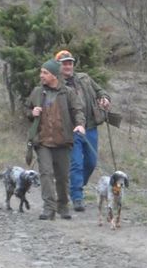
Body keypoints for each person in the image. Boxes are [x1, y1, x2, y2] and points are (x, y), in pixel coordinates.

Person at [26, 59, 86, 220]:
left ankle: (63, 206)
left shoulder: (68, 92)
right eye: (41, 72)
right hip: (43, 141)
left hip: (63, 141)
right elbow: (27, 109)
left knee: (62, 176)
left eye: (45, 73)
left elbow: (78, 110)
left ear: (54, 75)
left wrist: (80, 125)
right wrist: (32, 113)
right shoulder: (37, 92)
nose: (41, 76)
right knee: (46, 173)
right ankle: (49, 208)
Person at [55, 50, 111, 212]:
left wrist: (104, 99)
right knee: (76, 164)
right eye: (64, 63)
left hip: (91, 126)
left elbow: (101, 91)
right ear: (58, 65)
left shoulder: (85, 78)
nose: (67, 66)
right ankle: (77, 197)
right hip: (71, 129)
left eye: (70, 62)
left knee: (91, 162)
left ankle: (75, 186)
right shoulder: (57, 85)